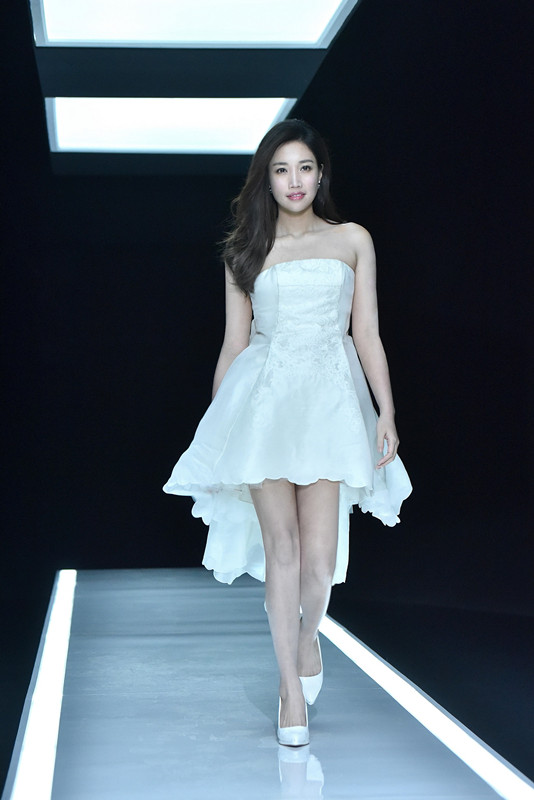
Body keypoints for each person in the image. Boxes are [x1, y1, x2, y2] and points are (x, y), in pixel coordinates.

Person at [163, 119, 412, 746]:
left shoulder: (352, 239)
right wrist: (220, 425)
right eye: (281, 170)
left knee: (320, 561)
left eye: (304, 167)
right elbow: (234, 343)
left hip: (329, 403)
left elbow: (367, 332)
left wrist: (385, 412)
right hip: (265, 404)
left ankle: (306, 640)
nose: (294, 181)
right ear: (266, 181)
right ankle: (290, 692)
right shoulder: (246, 249)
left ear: (320, 174)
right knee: (283, 549)